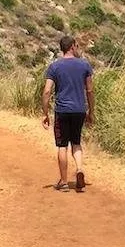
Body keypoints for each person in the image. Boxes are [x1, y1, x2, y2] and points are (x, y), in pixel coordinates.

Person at [42, 35, 95, 192]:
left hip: (62, 111)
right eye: (77, 46)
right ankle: (79, 169)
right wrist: (91, 111)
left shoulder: (55, 67)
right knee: (76, 143)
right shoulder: (85, 65)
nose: (78, 48)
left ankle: (64, 182)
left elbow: (46, 91)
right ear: (72, 46)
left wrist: (45, 113)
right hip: (79, 110)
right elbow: (90, 90)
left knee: (62, 146)